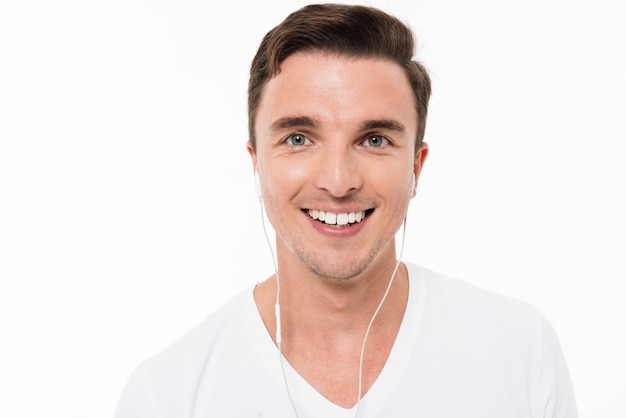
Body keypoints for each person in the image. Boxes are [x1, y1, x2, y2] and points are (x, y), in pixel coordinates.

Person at [115, 4, 578, 417]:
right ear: (256, 161)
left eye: (374, 139)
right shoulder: (168, 396)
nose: (338, 182)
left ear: (416, 167)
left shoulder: (520, 353)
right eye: (298, 138)